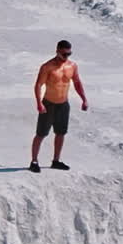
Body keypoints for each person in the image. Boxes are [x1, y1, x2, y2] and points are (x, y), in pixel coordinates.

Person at [29, 40, 88, 172]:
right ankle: (34, 161)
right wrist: (39, 103)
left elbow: (77, 82)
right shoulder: (47, 67)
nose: (67, 57)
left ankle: (56, 160)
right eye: (64, 54)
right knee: (41, 133)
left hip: (63, 104)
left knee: (61, 133)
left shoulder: (72, 66)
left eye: (69, 54)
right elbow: (38, 85)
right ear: (57, 51)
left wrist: (84, 99)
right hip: (48, 103)